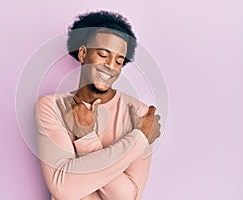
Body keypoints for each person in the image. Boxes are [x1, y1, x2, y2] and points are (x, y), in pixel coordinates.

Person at [34, 10, 161, 200]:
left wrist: (87, 140)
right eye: (103, 54)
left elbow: (129, 197)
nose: (111, 66)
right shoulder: (52, 107)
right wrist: (139, 138)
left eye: (119, 61)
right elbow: (64, 190)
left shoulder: (141, 114)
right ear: (83, 53)